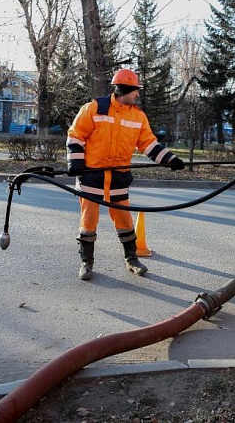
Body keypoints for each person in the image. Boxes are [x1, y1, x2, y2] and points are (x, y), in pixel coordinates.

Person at [66, 68, 185, 281]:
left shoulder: (138, 116)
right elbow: (76, 135)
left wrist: (170, 160)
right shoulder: (94, 108)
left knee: (124, 219)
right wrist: (75, 163)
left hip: (119, 176)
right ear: (125, 89)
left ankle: (131, 259)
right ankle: (86, 263)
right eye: (135, 91)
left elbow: (148, 144)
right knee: (89, 220)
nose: (137, 95)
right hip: (92, 175)